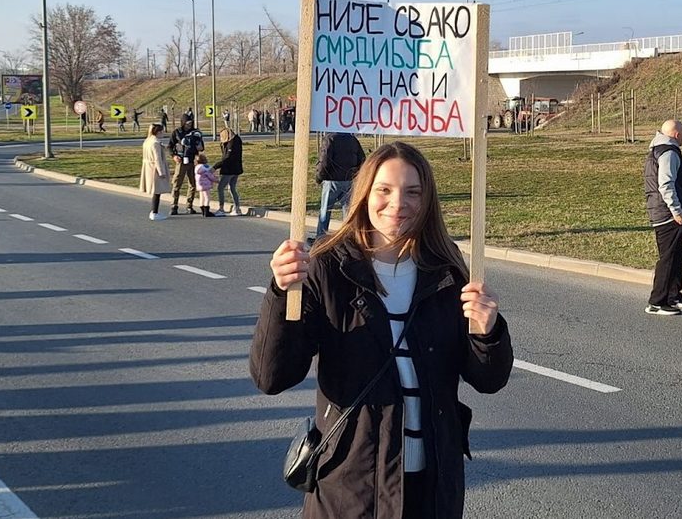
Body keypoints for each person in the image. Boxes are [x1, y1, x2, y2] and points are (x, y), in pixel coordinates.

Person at [251, 141, 513, 519]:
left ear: (427, 201)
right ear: (364, 194)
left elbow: (489, 379)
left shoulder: (448, 273)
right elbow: (271, 376)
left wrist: (487, 332)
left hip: (433, 490)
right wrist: (280, 293)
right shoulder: (327, 269)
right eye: (384, 190)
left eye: (412, 192)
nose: (397, 204)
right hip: (350, 490)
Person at [643, 119, 682, 315]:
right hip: (667, 213)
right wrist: (676, 211)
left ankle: (674, 295)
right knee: (667, 257)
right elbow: (665, 184)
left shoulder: (658, 149)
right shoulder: (668, 152)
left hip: (661, 210)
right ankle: (657, 302)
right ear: (676, 134)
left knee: (676, 254)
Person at [314, 131, 366, 238]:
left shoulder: (329, 139)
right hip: (348, 180)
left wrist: (319, 177)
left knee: (325, 210)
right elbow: (362, 159)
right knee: (348, 212)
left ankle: (320, 238)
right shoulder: (353, 140)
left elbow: (324, 161)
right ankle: (348, 237)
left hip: (331, 180)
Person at [168, 114, 205, 215]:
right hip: (181, 161)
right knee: (177, 183)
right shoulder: (177, 132)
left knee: (192, 184)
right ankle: (174, 205)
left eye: (191, 122)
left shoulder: (195, 133)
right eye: (187, 123)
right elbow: (170, 146)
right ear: (183, 122)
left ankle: (189, 205)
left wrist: (199, 146)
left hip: (193, 161)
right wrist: (174, 156)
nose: (189, 124)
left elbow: (201, 147)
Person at [139, 123, 170, 221]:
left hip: (148, 167)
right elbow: (157, 159)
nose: (163, 133)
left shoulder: (148, 141)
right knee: (157, 191)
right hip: (154, 169)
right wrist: (161, 172)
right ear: (158, 132)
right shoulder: (155, 143)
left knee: (156, 190)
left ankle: (155, 211)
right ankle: (154, 212)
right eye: (162, 131)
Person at [212, 127, 243, 216]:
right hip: (236, 169)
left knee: (220, 188)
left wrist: (215, 167)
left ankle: (221, 209)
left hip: (229, 169)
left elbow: (227, 158)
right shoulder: (237, 141)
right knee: (232, 188)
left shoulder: (231, 144)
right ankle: (237, 208)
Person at [194, 153, 219, 217]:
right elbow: (210, 176)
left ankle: (202, 211)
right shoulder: (205, 168)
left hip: (199, 185)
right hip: (206, 184)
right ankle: (206, 211)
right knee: (207, 197)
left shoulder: (197, 168)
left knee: (201, 197)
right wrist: (216, 180)